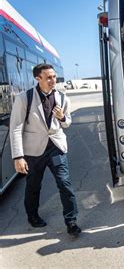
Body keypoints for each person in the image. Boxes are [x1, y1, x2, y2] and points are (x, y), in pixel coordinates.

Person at [10, 63, 81, 236]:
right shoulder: (24, 98)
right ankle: (32, 216)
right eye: (48, 77)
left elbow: (67, 123)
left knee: (65, 184)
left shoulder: (63, 98)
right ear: (38, 78)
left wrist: (62, 116)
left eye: (54, 76)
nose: (52, 80)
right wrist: (18, 156)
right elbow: (16, 127)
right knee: (33, 186)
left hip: (56, 147)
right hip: (34, 151)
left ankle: (71, 221)